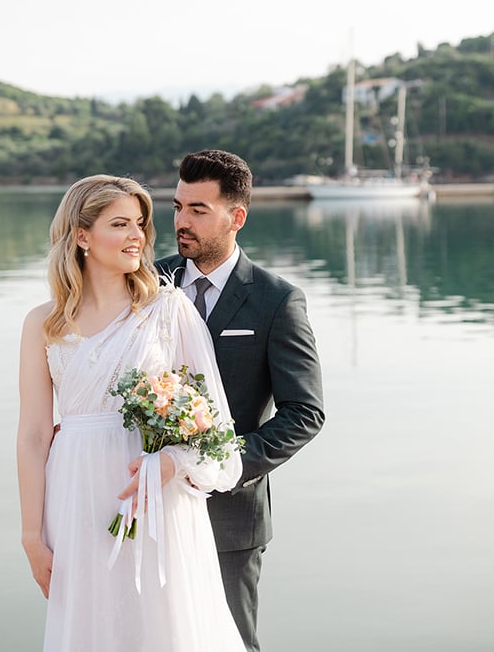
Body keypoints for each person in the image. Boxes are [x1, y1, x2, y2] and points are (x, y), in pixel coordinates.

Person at [16, 174, 247, 652]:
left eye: (140, 224)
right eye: (120, 224)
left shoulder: (168, 309)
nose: (138, 236)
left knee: (163, 628)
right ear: (82, 235)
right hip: (74, 498)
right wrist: (31, 536)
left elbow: (217, 430)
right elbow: (34, 435)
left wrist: (173, 462)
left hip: (154, 499)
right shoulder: (43, 322)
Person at [156, 150, 325, 652]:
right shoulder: (147, 285)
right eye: (178, 207)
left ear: (237, 217)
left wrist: (220, 464)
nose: (182, 222)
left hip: (230, 517)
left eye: (198, 211)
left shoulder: (277, 300)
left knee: (229, 643)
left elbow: (305, 413)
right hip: (150, 506)